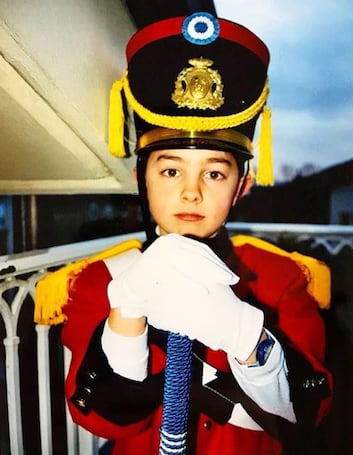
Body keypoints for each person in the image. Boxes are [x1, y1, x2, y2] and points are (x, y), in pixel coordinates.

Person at [35, 4, 332, 454]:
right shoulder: (100, 280)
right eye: (171, 172)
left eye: (214, 174)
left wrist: (250, 341)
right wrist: (127, 318)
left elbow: (309, 414)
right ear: (142, 179)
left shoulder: (281, 278)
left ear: (241, 187)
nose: (191, 193)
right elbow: (100, 419)